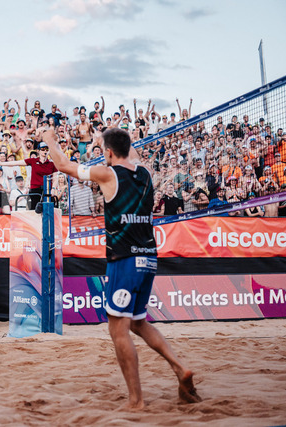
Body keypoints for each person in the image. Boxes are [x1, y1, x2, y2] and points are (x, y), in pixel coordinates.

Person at [46, 127, 201, 410]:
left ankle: (136, 401)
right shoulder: (145, 173)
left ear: (107, 152)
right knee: (139, 322)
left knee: (118, 330)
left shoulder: (108, 174)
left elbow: (63, 165)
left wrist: (48, 140)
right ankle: (180, 368)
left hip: (125, 260)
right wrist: (107, 137)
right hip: (149, 258)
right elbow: (131, 152)